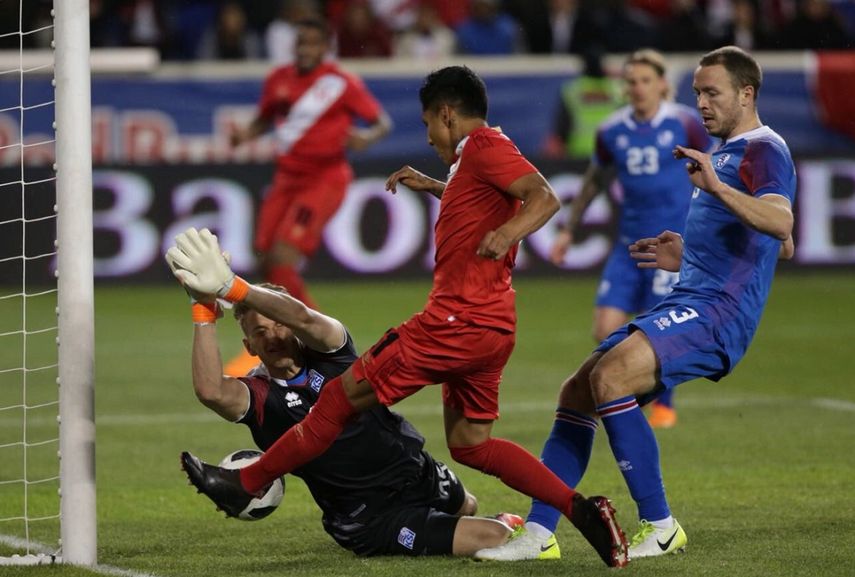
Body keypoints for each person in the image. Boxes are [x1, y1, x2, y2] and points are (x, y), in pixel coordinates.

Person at [171, 66, 629, 568]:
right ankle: (578, 509)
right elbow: (480, 201)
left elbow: (545, 197)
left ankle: (246, 483)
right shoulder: (472, 161)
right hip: (493, 328)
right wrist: (436, 186)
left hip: (454, 323)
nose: (428, 136)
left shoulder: (484, 146)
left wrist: (509, 234)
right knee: (471, 445)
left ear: (446, 114)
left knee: (336, 399)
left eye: (428, 123)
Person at [475, 46, 796, 561]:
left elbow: (782, 225)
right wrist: (689, 254)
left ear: (746, 93)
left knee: (611, 377)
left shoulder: (764, 150)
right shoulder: (723, 150)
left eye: (712, 92)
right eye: (697, 92)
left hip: (720, 312)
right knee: (577, 391)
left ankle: (661, 525)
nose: (702, 102)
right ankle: (539, 533)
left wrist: (716, 186)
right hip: (693, 294)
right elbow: (778, 245)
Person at [165, 244, 529, 557]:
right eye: (260, 332)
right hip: (372, 518)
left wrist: (233, 286)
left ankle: (461, 521)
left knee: (468, 506)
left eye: (278, 324)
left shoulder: (331, 349)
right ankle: (494, 529)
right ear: (249, 346)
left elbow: (303, 316)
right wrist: (203, 308)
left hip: (415, 470)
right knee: (494, 537)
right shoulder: (259, 397)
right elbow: (211, 390)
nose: (273, 336)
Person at [550, 49, 713, 430]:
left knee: (659, 332)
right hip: (628, 245)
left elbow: (713, 170)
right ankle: (628, 397)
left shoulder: (684, 123)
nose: (637, 88)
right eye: (631, 81)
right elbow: (594, 180)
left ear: (661, 84)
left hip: (670, 247)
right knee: (604, 327)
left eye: (644, 80)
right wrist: (569, 229)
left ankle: (662, 406)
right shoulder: (611, 130)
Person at [225, 17, 391, 375]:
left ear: (326, 47)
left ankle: (322, 341)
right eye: (301, 42)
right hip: (286, 177)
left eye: (313, 43)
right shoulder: (278, 79)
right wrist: (245, 135)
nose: (305, 49)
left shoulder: (340, 83)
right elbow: (264, 119)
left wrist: (366, 138)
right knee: (265, 257)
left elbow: (381, 122)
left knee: (284, 258)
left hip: (324, 178)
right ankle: (273, 335)